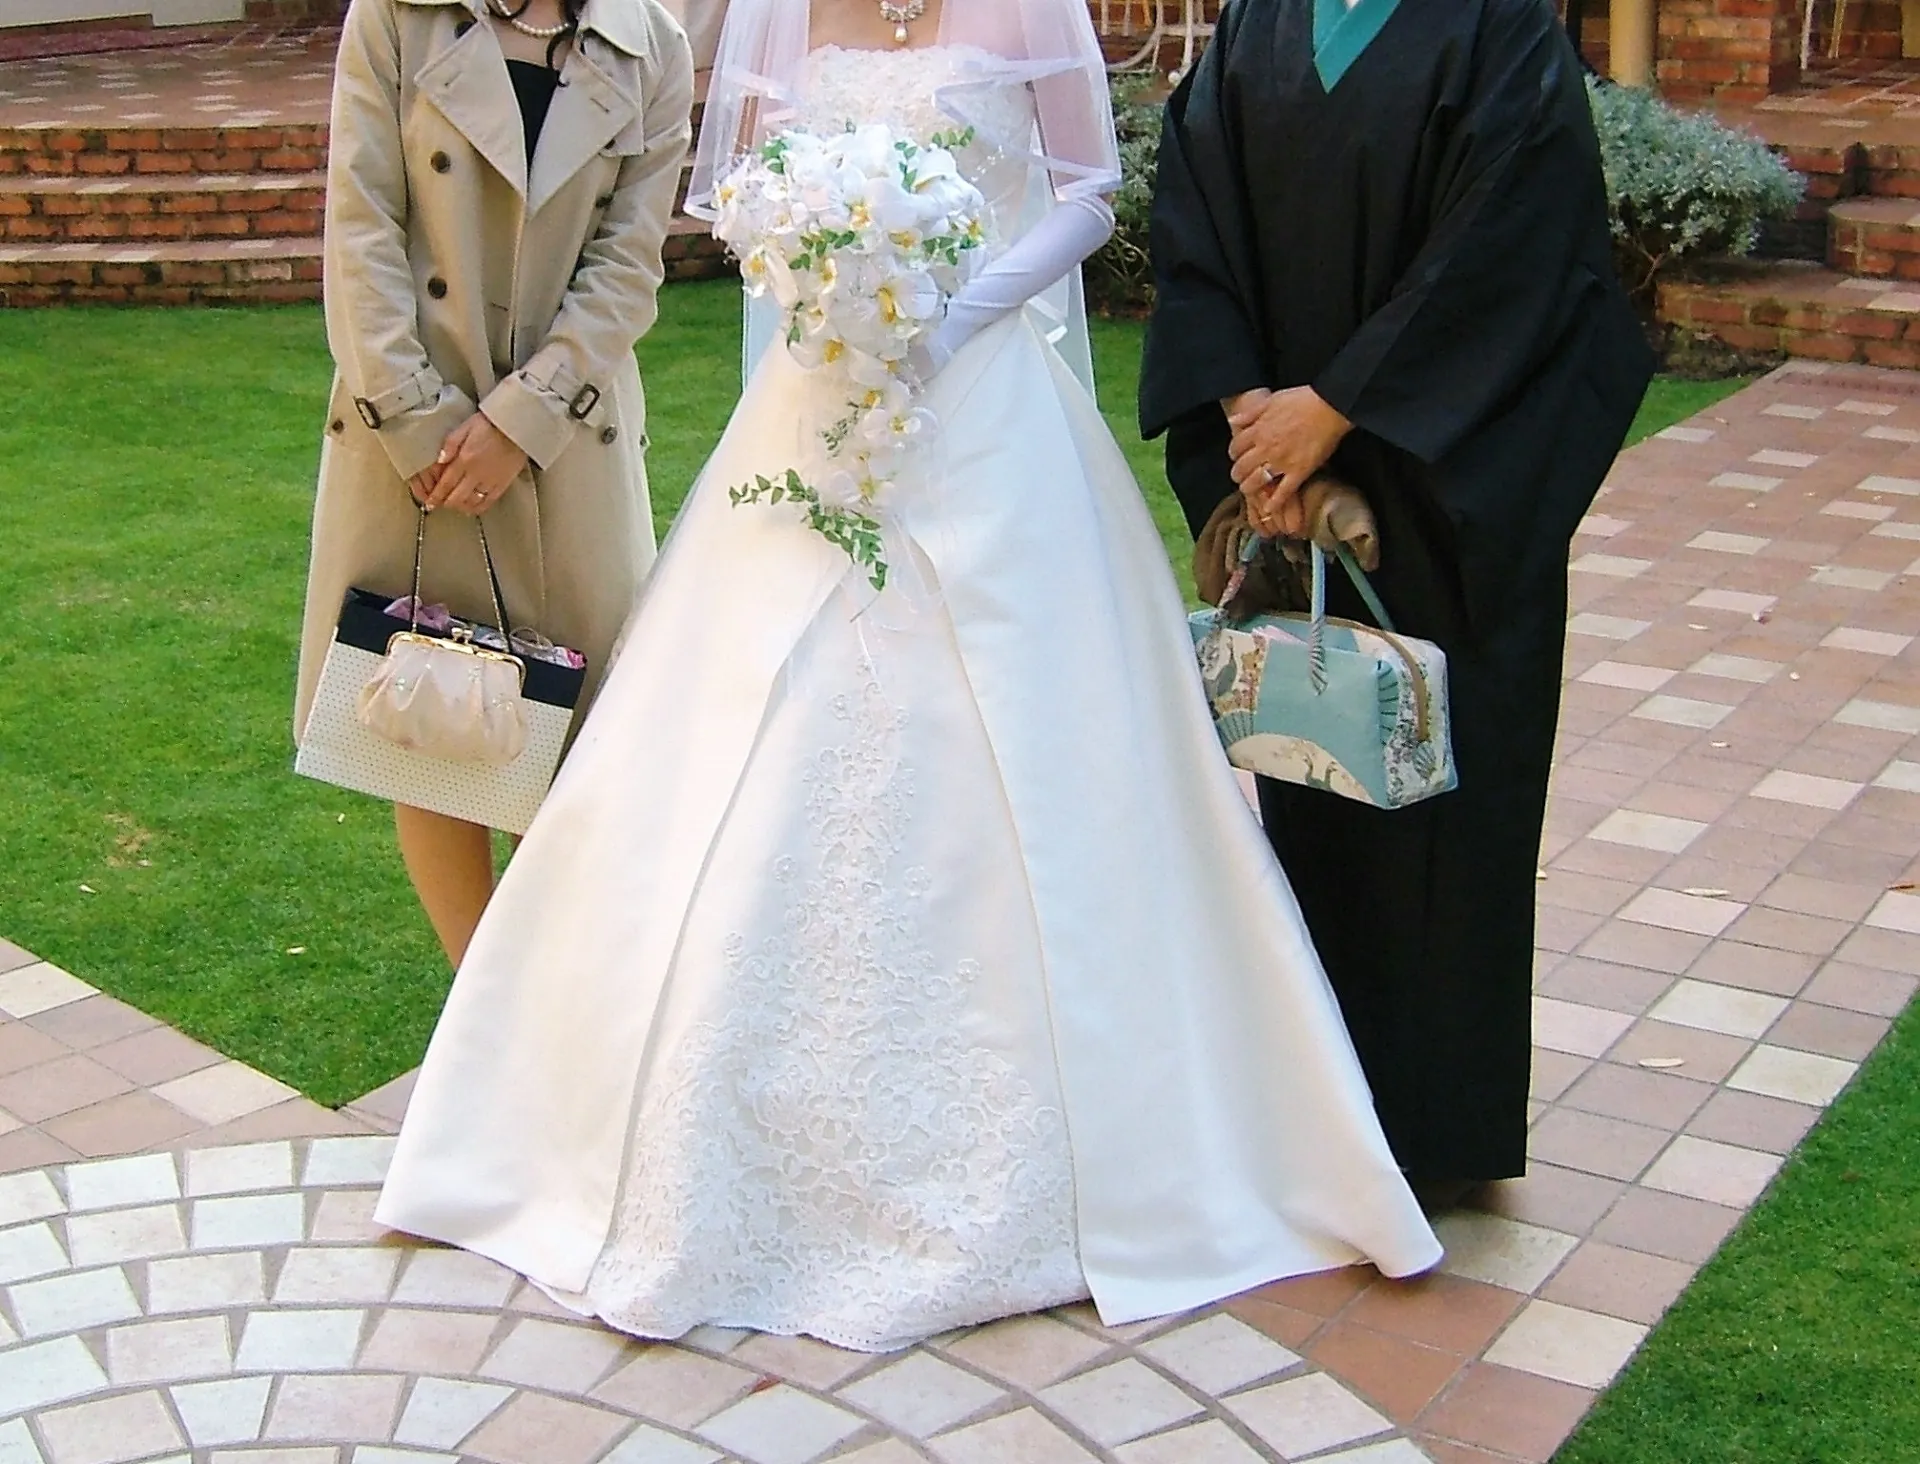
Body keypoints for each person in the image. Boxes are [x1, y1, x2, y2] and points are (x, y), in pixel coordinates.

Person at [375, 0, 1440, 1353]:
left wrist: (961, 307)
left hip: (987, 399)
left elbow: (1091, 191)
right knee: (745, 729)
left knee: (1047, 746)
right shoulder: (779, 11)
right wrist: (819, 286)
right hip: (820, 401)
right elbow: (735, 192)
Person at [1140, 0, 1654, 1189]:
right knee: (1317, 770)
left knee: (1448, 793)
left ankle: (1436, 1133)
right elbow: (1194, 219)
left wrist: (1337, 408)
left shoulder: (1499, 24)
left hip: (1444, 480)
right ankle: (1324, 1107)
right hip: (1287, 486)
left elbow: (1515, 243)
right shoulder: (1262, 20)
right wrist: (1248, 424)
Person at [295, 0, 694, 967]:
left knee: (576, 744)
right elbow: (360, 222)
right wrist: (422, 421)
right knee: (427, 729)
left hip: (567, 442)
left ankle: (550, 1019)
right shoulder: (398, 17)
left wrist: (521, 422)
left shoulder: (655, 45)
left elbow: (628, 266)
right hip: (411, 437)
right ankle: (478, 1014)